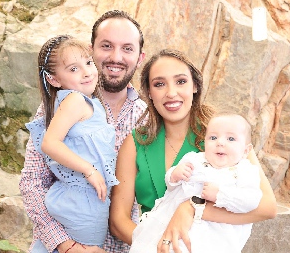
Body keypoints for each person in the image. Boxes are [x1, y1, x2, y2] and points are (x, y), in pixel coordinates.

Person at [109, 49, 277, 253]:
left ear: (195, 85)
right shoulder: (135, 143)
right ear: (149, 94)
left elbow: (267, 207)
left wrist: (193, 209)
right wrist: (158, 245)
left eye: (181, 81)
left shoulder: (224, 137)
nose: (171, 93)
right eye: (159, 84)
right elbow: (118, 221)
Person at [20, 10, 146, 253]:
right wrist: (69, 246)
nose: (115, 56)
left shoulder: (146, 118)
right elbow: (32, 183)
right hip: (63, 243)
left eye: (127, 48)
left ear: (140, 58)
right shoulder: (57, 109)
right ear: (92, 49)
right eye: (106, 46)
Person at [25, 34, 119, 251]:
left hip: (87, 199)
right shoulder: (74, 100)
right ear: (54, 80)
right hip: (81, 201)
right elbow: (49, 143)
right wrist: (89, 170)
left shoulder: (89, 103)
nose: (86, 72)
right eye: (73, 69)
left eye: (88, 62)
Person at [130, 113, 262, 253]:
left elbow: (251, 200)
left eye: (231, 138)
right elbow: (170, 186)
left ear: (246, 150)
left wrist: (220, 195)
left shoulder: (245, 172)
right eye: (213, 137)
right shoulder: (195, 159)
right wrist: (174, 175)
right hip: (170, 221)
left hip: (214, 234)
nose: (220, 142)